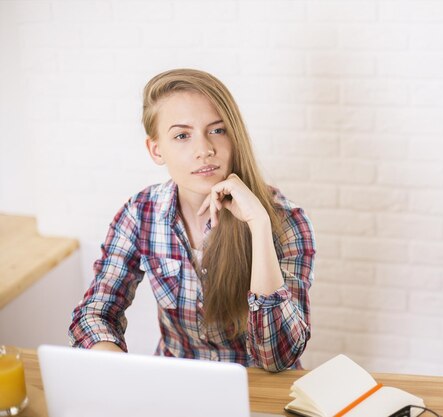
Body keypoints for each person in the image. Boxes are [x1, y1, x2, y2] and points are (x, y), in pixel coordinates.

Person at [69, 68, 315, 372]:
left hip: (257, 393)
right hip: (177, 390)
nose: (204, 150)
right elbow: (95, 314)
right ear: (156, 149)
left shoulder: (285, 220)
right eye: (182, 135)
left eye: (217, 130)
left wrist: (259, 226)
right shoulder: (140, 213)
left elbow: (279, 358)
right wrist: (122, 375)